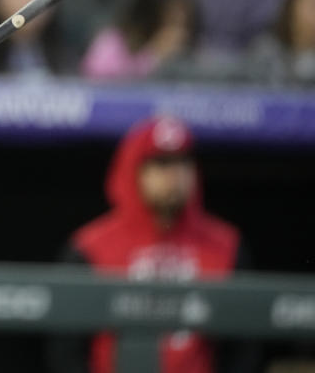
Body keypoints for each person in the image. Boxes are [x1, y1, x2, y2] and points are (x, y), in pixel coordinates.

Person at [47, 116, 258, 373]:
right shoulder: (88, 248)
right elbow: (67, 352)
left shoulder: (226, 245)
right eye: (161, 163)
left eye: (184, 162)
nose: (176, 175)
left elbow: (243, 351)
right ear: (132, 170)